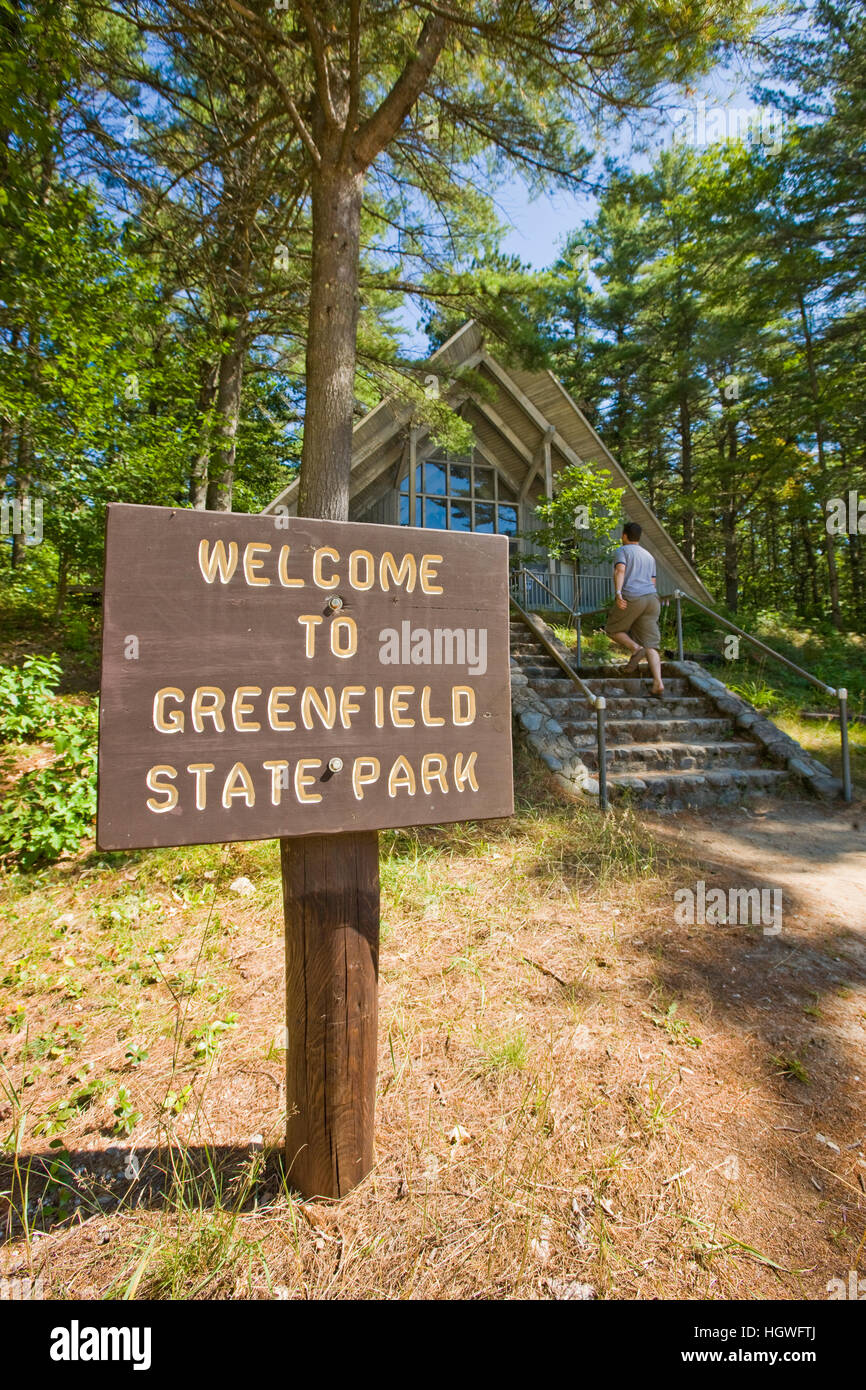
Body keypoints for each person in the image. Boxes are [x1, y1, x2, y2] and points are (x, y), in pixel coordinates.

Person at [604, 521, 664, 697]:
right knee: (652, 645)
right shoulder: (649, 556)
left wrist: (618, 593)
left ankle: (635, 648)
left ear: (624, 535)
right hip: (652, 599)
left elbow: (620, 571)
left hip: (633, 597)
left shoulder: (622, 551)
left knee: (612, 629)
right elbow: (653, 581)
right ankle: (658, 683)